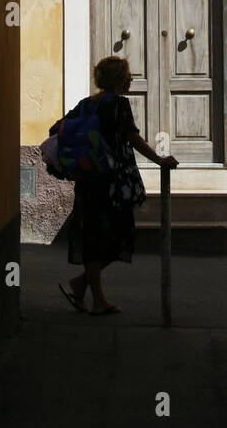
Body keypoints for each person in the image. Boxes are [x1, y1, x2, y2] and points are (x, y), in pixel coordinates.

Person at [54, 55, 179, 315]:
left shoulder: (86, 104)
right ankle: (91, 295)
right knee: (120, 235)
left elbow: (57, 129)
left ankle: (86, 290)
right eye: (127, 75)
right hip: (111, 182)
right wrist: (159, 159)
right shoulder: (118, 104)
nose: (131, 79)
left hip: (88, 181)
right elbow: (132, 138)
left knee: (93, 237)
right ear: (119, 79)